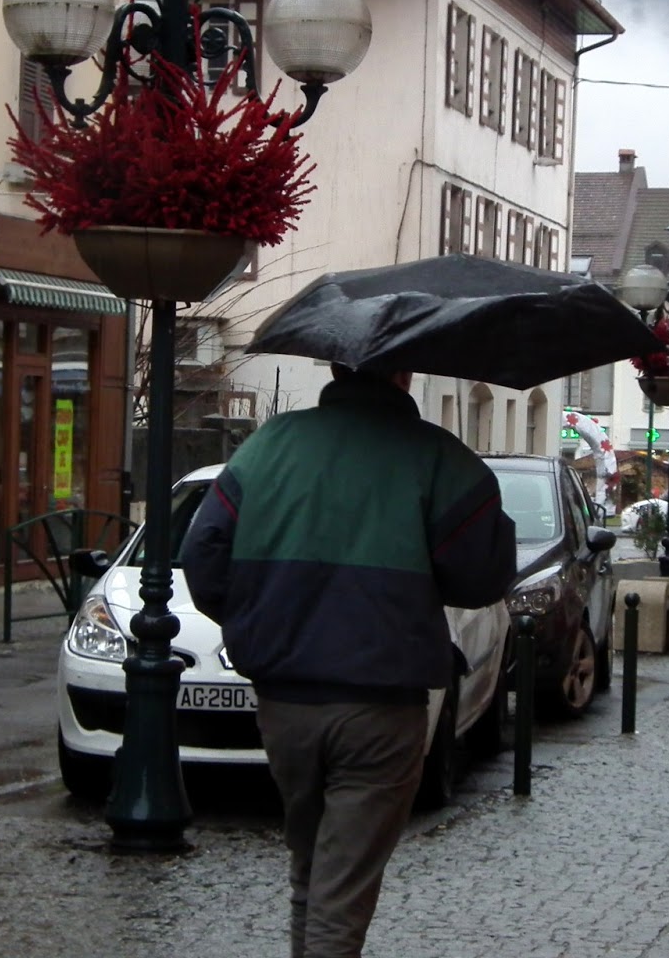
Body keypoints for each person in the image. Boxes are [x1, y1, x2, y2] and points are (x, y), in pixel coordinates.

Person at [179, 364, 516, 958]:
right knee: (342, 885)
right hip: (382, 704)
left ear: (336, 364)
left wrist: (261, 620)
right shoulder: (439, 457)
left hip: (284, 700)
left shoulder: (270, 445)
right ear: (405, 374)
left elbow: (203, 557)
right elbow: (481, 578)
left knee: (311, 867)